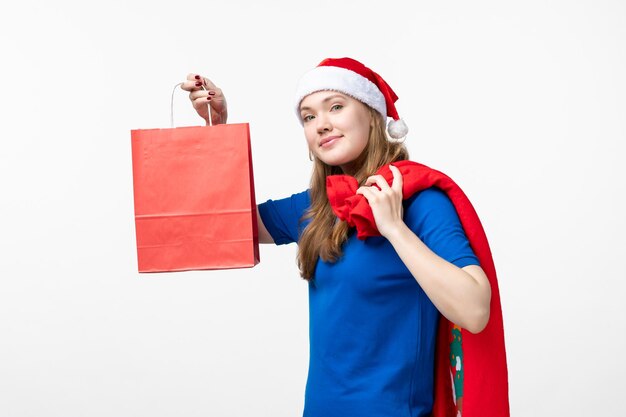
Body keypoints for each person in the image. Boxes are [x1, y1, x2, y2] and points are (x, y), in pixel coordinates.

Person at [181, 57, 508, 417]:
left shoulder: (422, 202)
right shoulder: (317, 207)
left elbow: (476, 311)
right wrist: (217, 128)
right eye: (308, 116)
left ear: (371, 114)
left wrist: (395, 229)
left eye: (336, 107)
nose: (322, 124)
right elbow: (217, 225)